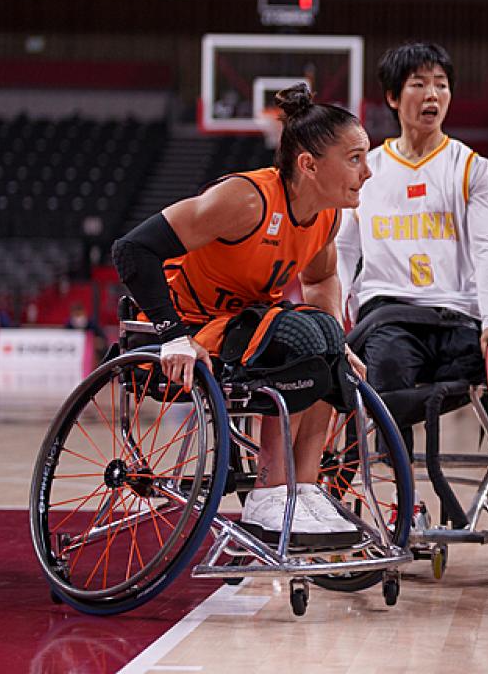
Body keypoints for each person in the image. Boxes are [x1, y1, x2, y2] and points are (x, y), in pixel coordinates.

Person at [111, 83, 372, 544]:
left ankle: (304, 487)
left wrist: (339, 339)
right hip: (178, 331)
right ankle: (269, 494)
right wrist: (172, 336)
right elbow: (132, 250)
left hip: (240, 331)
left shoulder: (327, 217)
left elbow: (319, 280)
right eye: (355, 159)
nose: (367, 172)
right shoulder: (246, 200)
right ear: (309, 164)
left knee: (331, 347)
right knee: (301, 340)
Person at [336, 42, 488, 480]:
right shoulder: (366, 169)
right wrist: (334, 312)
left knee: (479, 371)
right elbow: (343, 250)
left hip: (455, 316)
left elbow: (487, 248)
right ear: (394, 97)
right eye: (419, 84)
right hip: (389, 316)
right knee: (388, 364)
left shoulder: (473, 167)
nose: (433, 94)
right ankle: (400, 499)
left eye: (441, 85)